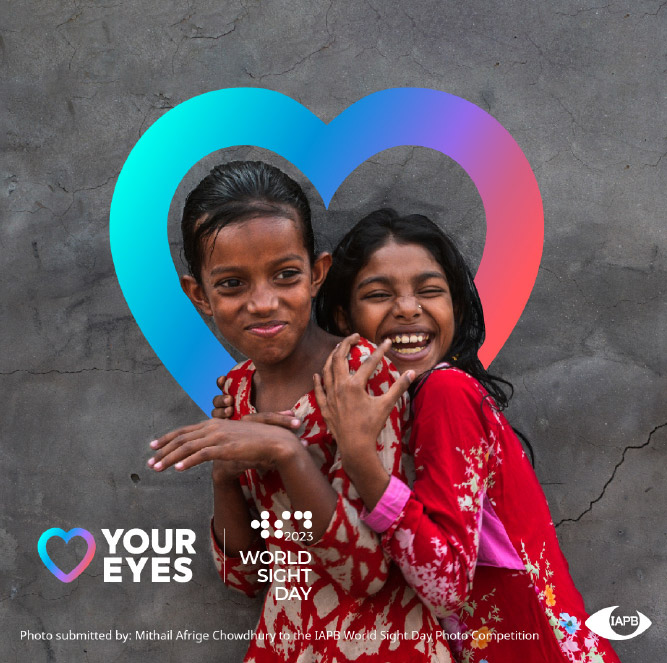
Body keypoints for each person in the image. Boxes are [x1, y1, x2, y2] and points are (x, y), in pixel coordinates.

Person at [214, 208, 621, 662]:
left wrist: (359, 459)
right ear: (344, 320)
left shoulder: (446, 394)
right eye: (379, 294)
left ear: (456, 309)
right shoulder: (394, 406)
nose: (408, 309)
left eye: (429, 292)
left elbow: (445, 587)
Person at [148, 165, 451, 662]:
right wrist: (225, 477)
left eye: (286, 275)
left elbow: (367, 574)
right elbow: (246, 577)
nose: (263, 303)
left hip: (382, 646)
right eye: (231, 285)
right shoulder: (237, 390)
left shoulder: (358, 374)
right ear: (199, 295)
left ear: (317, 274)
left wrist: (288, 454)